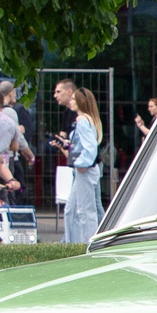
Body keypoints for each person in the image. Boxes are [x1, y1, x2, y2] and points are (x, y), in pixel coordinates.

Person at [53, 81, 105, 242]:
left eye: (74, 100)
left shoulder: (82, 120)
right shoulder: (88, 119)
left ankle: (87, 242)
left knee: (85, 210)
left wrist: (81, 164)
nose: (71, 103)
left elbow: (90, 148)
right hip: (87, 168)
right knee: (73, 209)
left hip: (85, 169)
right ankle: (72, 242)